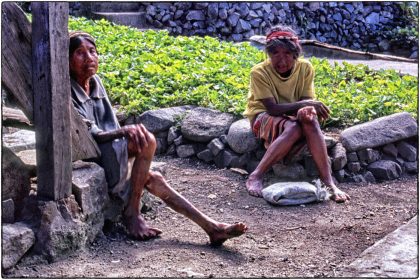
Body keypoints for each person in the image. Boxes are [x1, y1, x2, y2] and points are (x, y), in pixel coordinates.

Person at [69, 31, 247, 245]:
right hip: (91, 154)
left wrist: (124, 136)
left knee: (153, 178)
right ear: (67, 59)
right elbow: (88, 132)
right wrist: (125, 132)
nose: (89, 58)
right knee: (148, 142)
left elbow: (111, 125)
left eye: (92, 51)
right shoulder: (67, 90)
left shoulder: (95, 82)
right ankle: (132, 214)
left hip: (111, 150)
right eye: (80, 53)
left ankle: (212, 228)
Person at [243, 25, 350, 203]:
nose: (281, 60)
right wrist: (305, 104)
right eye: (275, 53)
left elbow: (306, 101)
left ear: (295, 54)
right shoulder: (259, 72)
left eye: (287, 54)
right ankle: (256, 175)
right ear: (268, 54)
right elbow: (272, 109)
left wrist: (306, 110)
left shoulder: (305, 68)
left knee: (310, 120)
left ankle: (328, 181)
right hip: (263, 116)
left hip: (291, 114)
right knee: (294, 126)